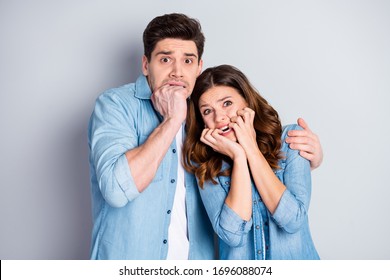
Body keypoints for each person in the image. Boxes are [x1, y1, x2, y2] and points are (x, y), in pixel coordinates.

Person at [88, 13, 323, 260]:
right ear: (146, 64)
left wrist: (308, 158)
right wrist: (171, 121)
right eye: (165, 59)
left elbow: (264, 178)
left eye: (188, 61)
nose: (177, 72)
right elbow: (115, 190)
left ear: (199, 68)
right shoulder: (115, 105)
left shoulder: (205, 119)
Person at [183, 64, 320, 260]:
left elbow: (293, 220)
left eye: (227, 103)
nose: (219, 117)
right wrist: (239, 157)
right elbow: (232, 234)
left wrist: (250, 148)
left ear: (247, 101)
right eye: (207, 111)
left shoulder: (289, 140)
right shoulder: (204, 164)